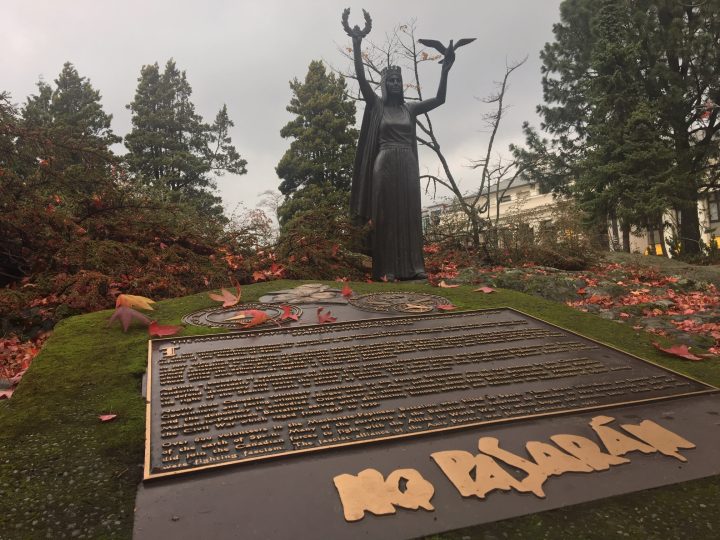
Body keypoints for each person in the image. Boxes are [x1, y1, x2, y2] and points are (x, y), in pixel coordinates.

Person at [349, 33, 455, 281]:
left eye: (399, 80)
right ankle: (387, 269)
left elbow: (440, 99)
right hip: (384, 163)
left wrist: (445, 71)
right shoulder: (377, 106)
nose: (396, 83)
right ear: (385, 84)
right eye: (392, 80)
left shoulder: (410, 109)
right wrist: (356, 43)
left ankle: (414, 266)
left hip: (407, 163)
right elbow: (362, 79)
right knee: (386, 215)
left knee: (409, 214)